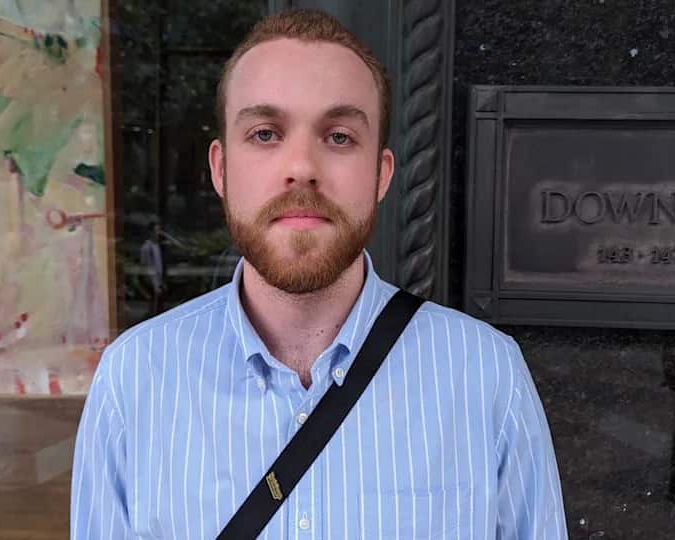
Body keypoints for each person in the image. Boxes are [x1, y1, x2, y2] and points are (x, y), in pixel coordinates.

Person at [72, 9, 567, 539]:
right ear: (220, 169)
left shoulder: (486, 375)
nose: (302, 166)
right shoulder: (135, 379)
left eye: (337, 137)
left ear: (380, 175)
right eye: (265, 133)